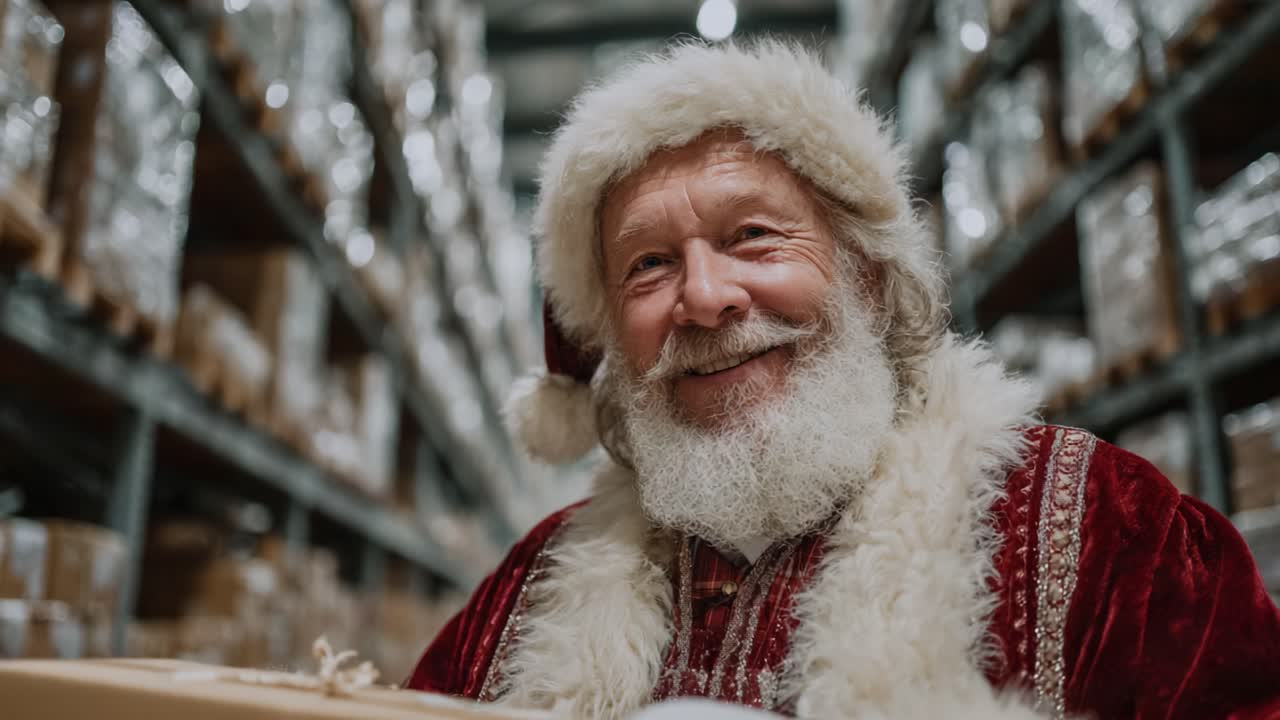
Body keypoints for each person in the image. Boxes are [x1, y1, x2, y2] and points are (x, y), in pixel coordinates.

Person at [405, 42, 1280, 718]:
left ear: (865, 270)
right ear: (608, 343)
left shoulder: (1110, 534)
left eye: (752, 235)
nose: (705, 297)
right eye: (649, 266)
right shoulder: (528, 598)